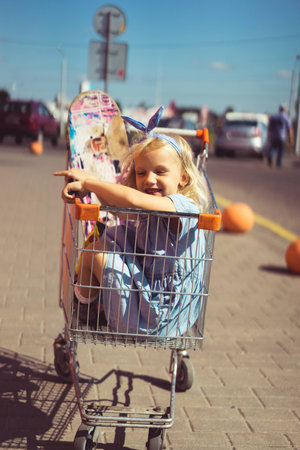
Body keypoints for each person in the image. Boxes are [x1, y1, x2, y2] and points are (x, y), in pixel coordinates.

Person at [54, 107, 209, 337]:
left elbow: (134, 200)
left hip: (154, 318)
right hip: (166, 315)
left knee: (93, 252)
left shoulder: (184, 207)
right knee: (113, 236)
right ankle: (94, 305)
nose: (150, 180)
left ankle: (86, 311)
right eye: (142, 172)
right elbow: (121, 207)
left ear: (183, 178)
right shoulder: (153, 208)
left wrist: (92, 182)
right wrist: (87, 185)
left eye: (160, 171)